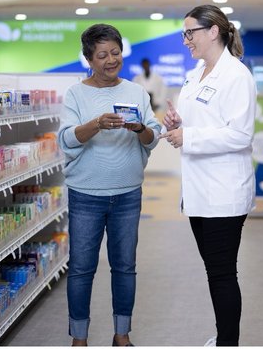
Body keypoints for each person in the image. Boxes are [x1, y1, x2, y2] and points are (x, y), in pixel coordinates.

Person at [58, 23, 161, 347]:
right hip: (86, 195)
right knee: (81, 269)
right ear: (89, 59)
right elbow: (66, 139)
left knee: (125, 267)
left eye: (115, 52)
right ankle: (79, 337)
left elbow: (153, 136)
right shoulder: (76, 93)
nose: (110, 60)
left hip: (128, 194)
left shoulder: (136, 92)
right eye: (102, 55)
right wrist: (96, 124)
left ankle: (122, 334)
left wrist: (140, 127)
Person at [161, 5, 257, 346]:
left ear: (213, 31)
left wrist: (190, 137)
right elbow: (201, 122)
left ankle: (227, 342)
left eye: (190, 33)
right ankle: (223, 338)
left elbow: (240, 135)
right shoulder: (196, 74)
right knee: (215, 272)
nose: (186, 40)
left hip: (224, 192)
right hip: (200, 191)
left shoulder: (236, 76)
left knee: (221, 274)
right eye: (184, 34)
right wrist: (178, 125)